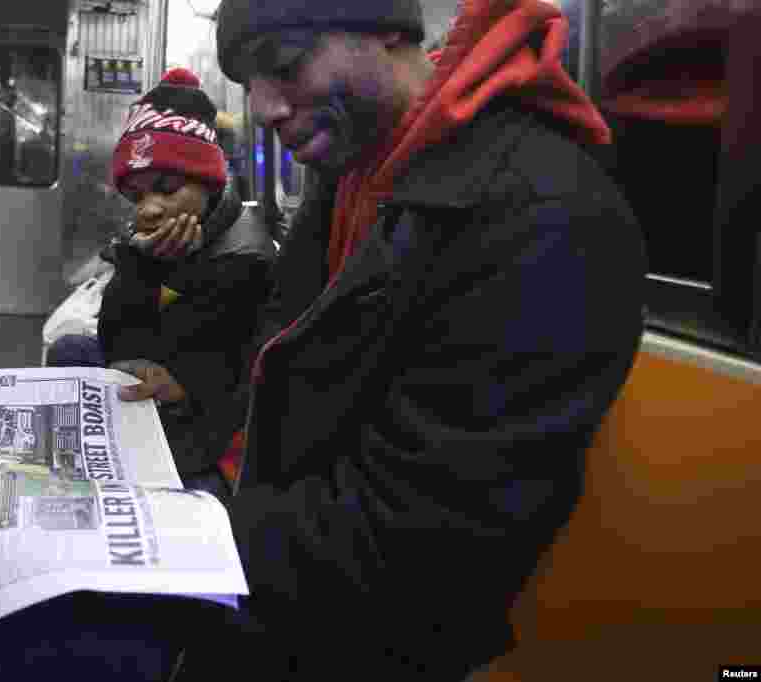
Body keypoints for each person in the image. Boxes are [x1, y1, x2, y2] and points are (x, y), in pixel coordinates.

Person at [107, 0, 647, 678]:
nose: (265, 108)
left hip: (361, 633)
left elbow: (423, 538)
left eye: (284, 65)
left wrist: (180, 536)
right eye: (249, 85)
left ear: (389, 29)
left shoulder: (543, 216)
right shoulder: (352, 174)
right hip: (275, 557)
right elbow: (280, 365)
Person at [48, 68, 276, 492]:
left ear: (208, 185)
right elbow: (119, 343)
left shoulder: (244, 257)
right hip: (158, 377)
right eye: (136, 196)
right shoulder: (158, 241)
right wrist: (140, 266)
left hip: (207, 418)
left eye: (167, 189)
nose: (149, 209)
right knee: (69, 350)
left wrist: (181, 387)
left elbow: (221, 372)